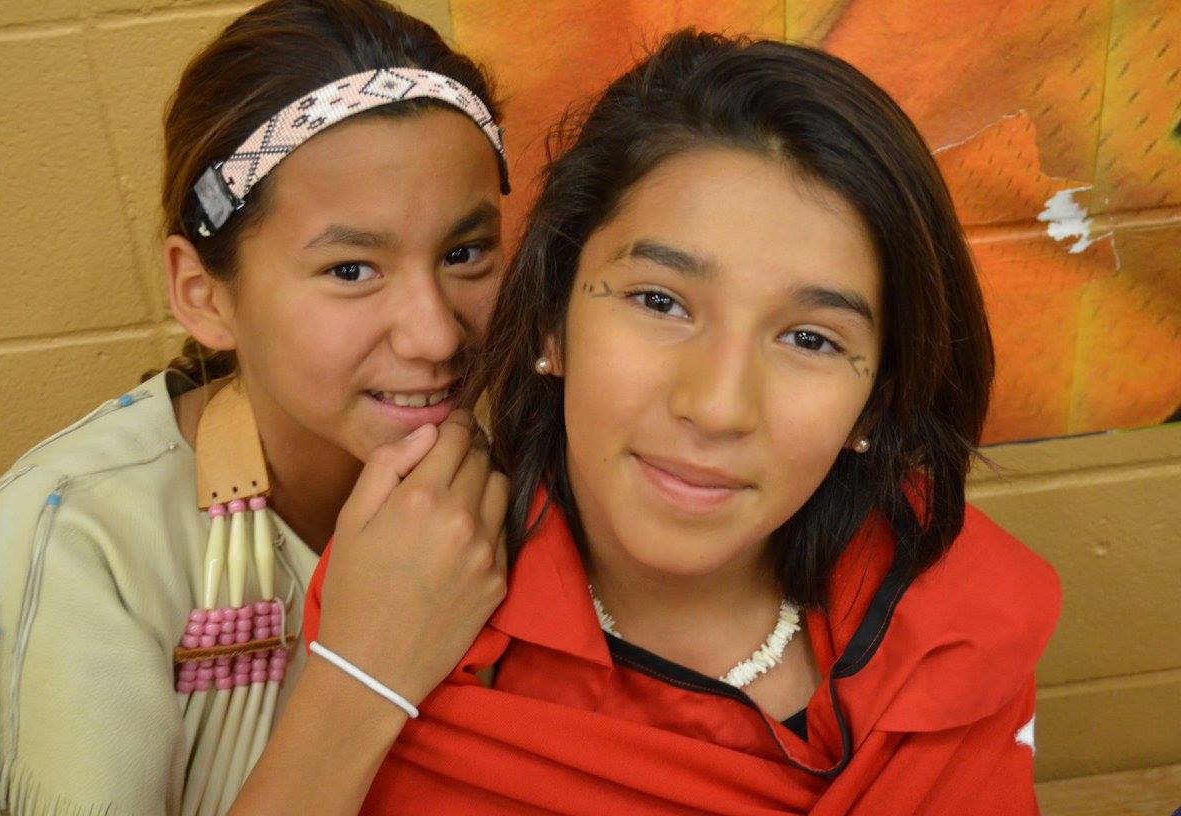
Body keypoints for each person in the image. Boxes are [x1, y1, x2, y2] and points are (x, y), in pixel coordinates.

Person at [302, 30, 1062, 814]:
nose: (717, 406)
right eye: (659, 301)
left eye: (810, 339)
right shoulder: (406, 601)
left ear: (873, 403)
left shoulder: (950, 629)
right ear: (551, 322)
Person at [0, 1, 510, 814]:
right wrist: (366, 670)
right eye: (352, 269)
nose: (433, 335)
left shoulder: (530, 476)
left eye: (465, 254)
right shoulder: (75, 539)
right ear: (202, 294)